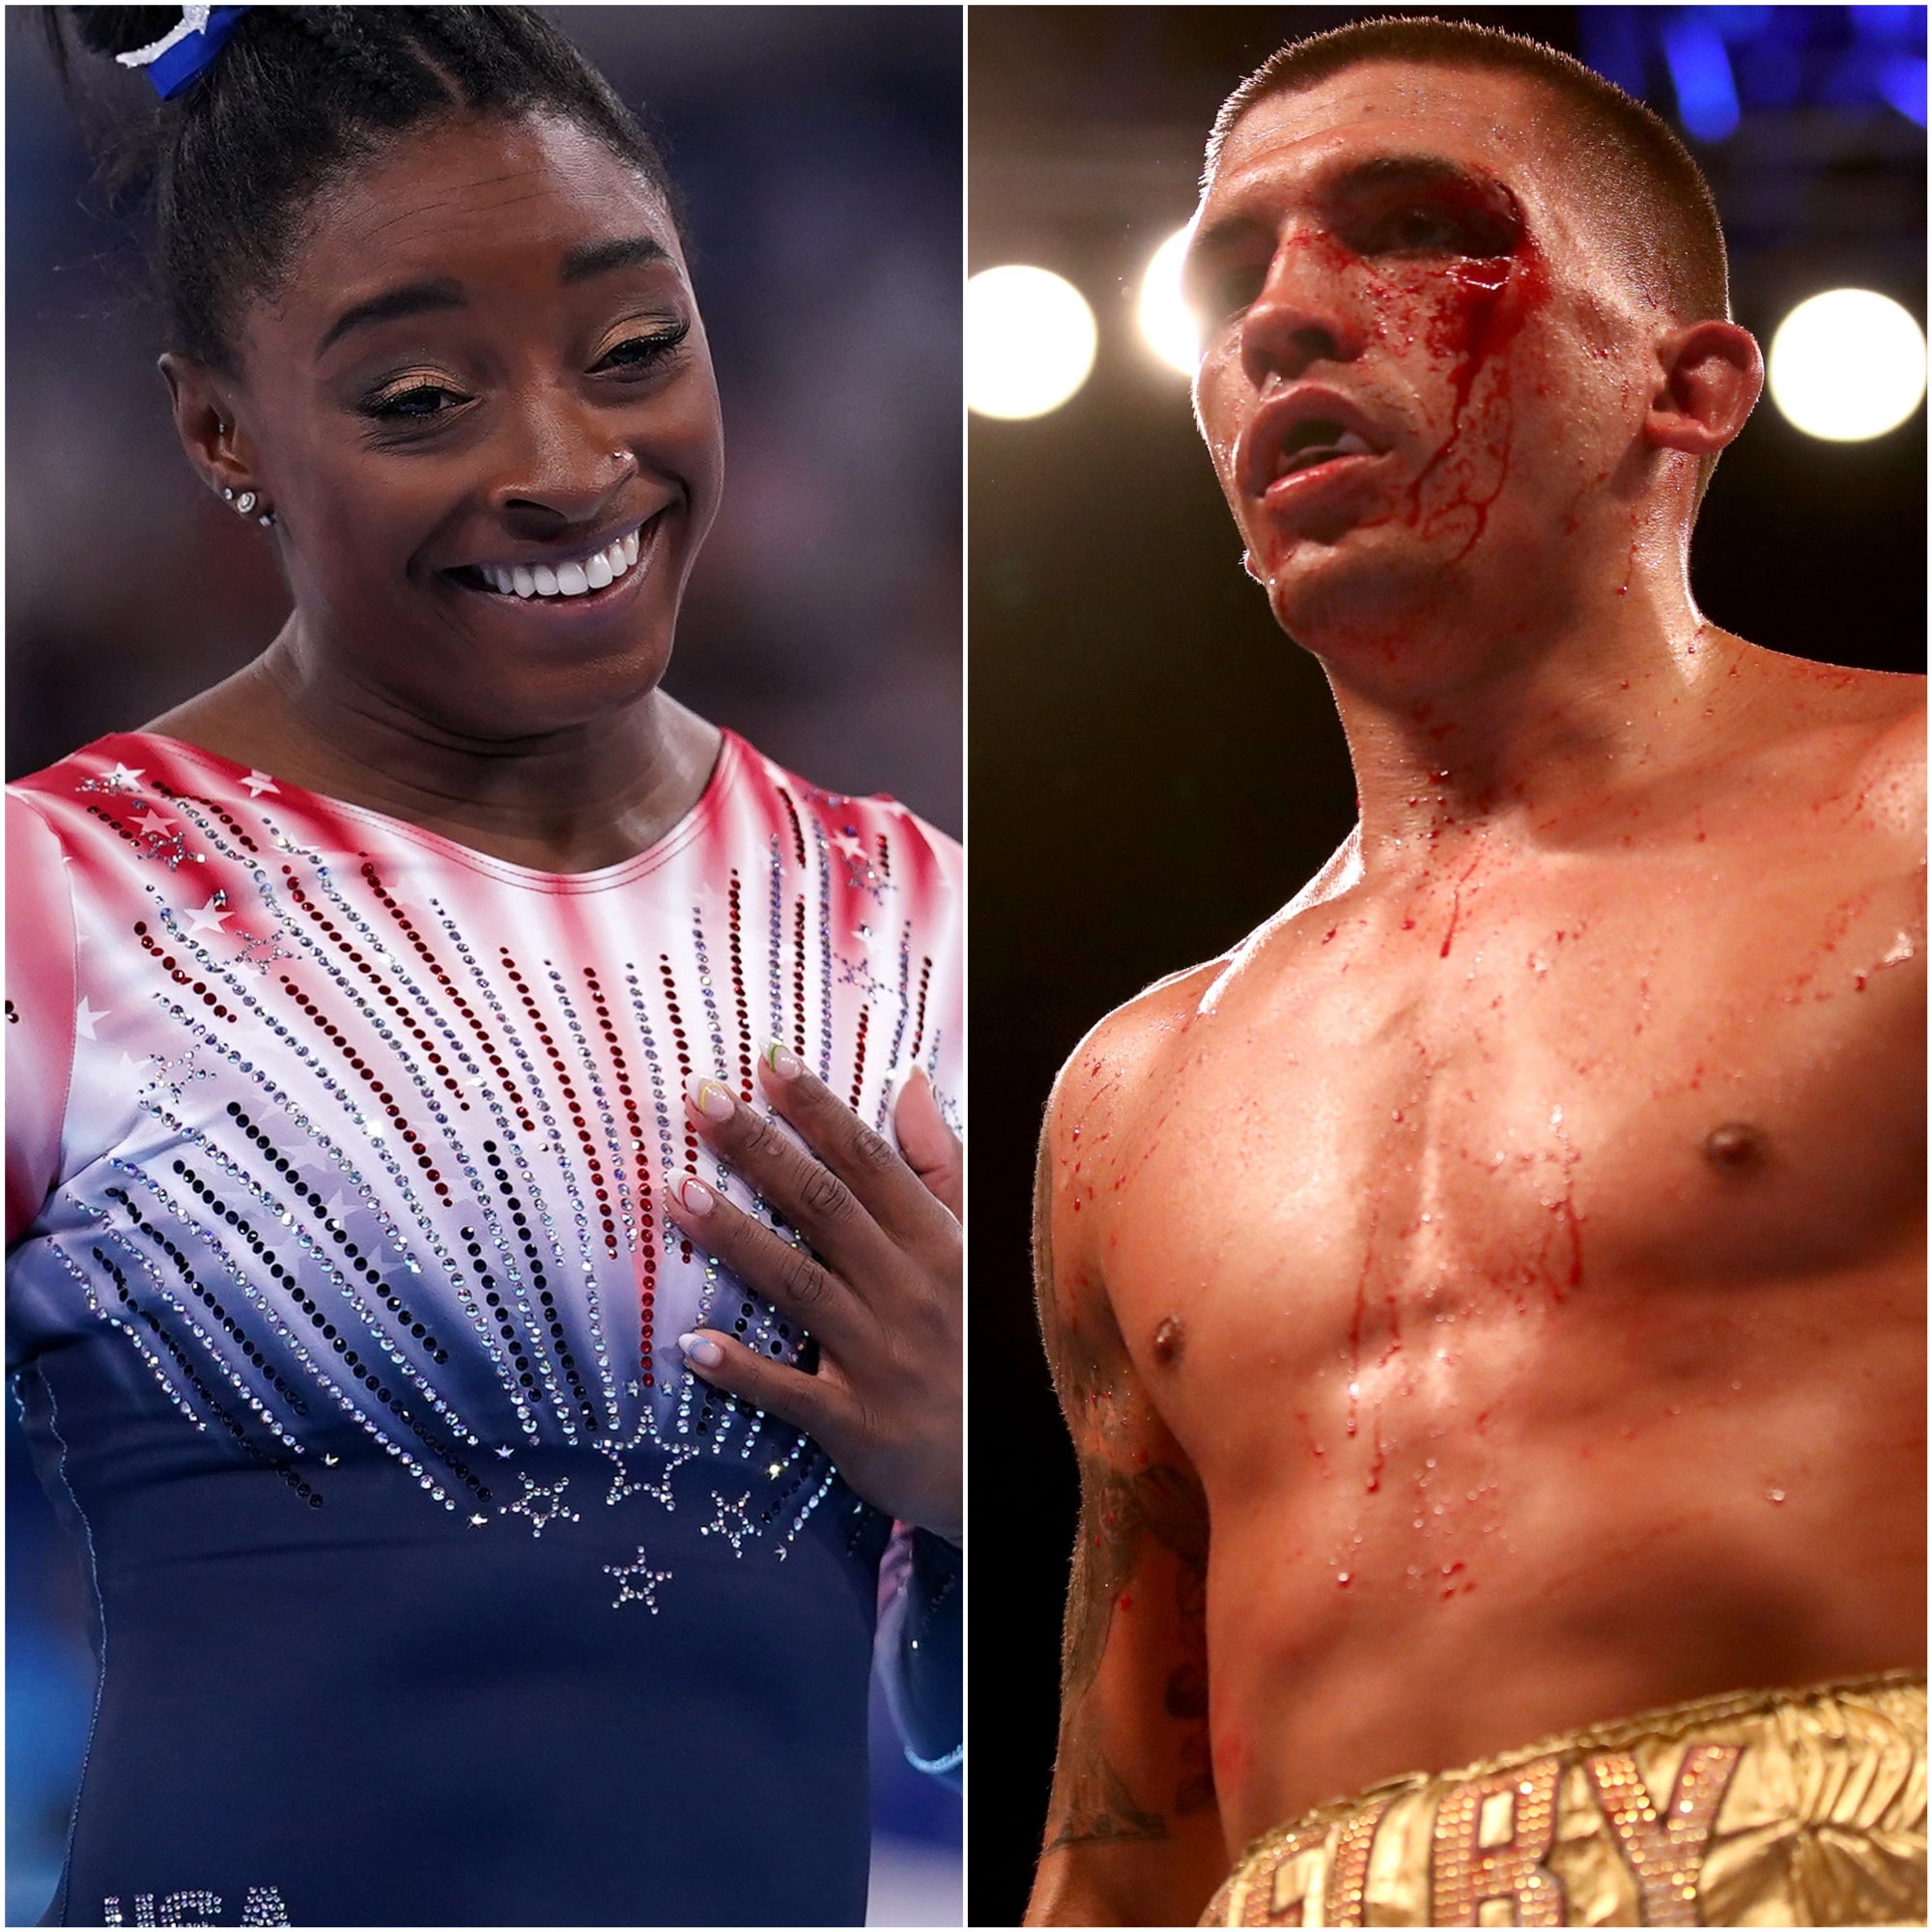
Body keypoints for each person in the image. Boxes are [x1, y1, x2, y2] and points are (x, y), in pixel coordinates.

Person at [7, 9, 961, 1926]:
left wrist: (974, 1467)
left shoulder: (911, 928)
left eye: (634, 350)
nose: (565, 462)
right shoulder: (64, 902)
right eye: (422, 398)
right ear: (220, 431)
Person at [1026, 18, 1923, 1928]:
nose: (1280, 316)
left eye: (1411, 226)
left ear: (1681, 385)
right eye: (1225, 271)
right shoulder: (1133, 1091)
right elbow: (1120, 1830)